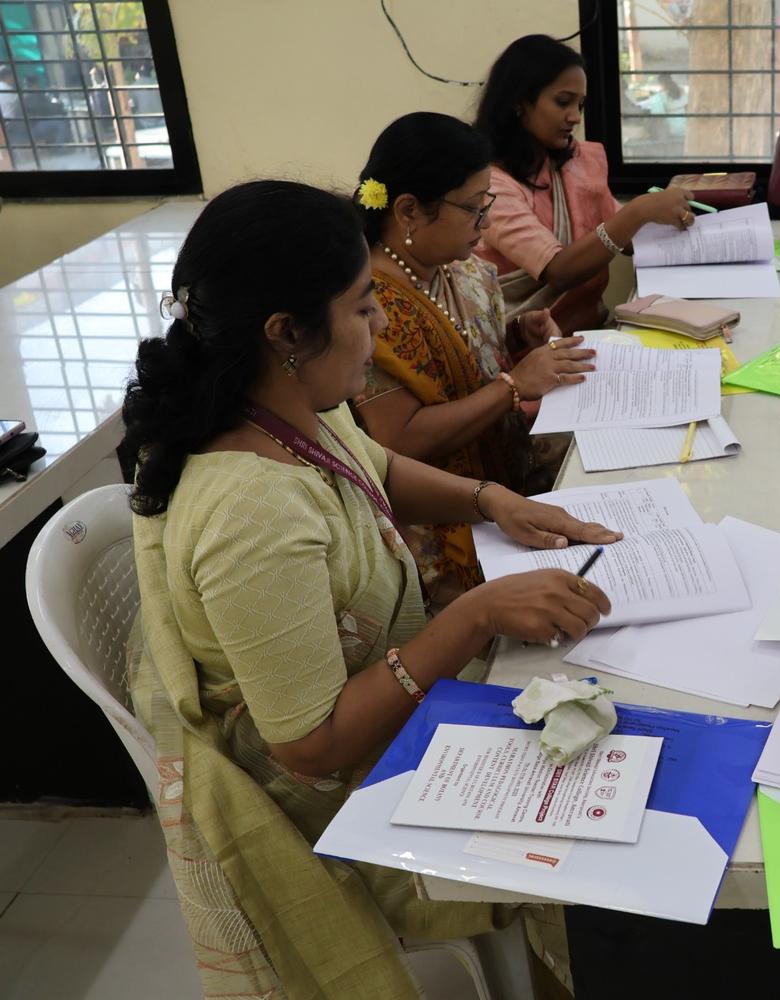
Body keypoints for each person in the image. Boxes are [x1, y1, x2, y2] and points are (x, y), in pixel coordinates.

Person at [121, 180, 620, 998]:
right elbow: (311, 746)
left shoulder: (287, 403)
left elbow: (375, 466)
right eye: (362, 309)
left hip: (373, 710)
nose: (382, 324)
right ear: (286, 332)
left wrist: (493, 501)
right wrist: (473, 616)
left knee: (588, 713)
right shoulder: (252, 510)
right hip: (331, 803)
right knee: (588, 823)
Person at [353, 111, 596, 608]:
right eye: (471, 209)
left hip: (499, 480)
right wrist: (512, 386)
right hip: (436, 524)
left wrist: (516, 336)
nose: (483, 228)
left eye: (486, 205)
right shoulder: (369, 310)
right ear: (408, 211)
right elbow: (399, 439)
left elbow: (463, 360)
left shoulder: (466, 274)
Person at [473, 34, 696, 334]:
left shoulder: (573, 161)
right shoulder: (490, 185)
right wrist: (639, 211)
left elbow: (625, 238)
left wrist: (679, 225)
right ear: (519, 102)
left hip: (591, 332)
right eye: (563, 102)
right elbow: (559, 271)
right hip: (530, 350)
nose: (575, 117)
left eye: (580, 104)